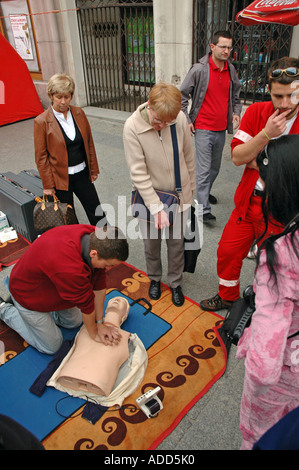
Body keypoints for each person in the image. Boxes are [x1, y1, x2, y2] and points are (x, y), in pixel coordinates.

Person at [200, 56, 299, 311]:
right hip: (248, 202)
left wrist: (259, 159)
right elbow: (237, 156)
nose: (285, 103)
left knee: (273, 264)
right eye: (278, 96)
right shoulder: (256, 112)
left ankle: (266, 305)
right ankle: (228, 296)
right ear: (268, 90)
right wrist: (266, 134)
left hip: (283, 210)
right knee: (227, 251)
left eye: (291, 95)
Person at [236, 135, 299, 450]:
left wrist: (255, 376)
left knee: (262, 438)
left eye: (265, 185)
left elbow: (263, 368)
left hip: (286, 376)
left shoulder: (283, 255)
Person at [0, 224, 129, 354]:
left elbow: (99, 283)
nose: (109, 269)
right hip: (26, 293)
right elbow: (86, 304)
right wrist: (94, 333)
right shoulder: (70, 268)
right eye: (108, 265)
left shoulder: (95, 237)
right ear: (93, 254)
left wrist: (100, 322)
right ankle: (5, 308)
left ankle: (43, 315)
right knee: (52, 347)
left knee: (75, 322)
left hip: (50, 284)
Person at [123, 82, 195, 307]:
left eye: (167, 122)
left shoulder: (179, 118)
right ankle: (154, 278)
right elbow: (138, 174)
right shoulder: (132, 127)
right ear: (149, 105)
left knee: (176, 244)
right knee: (151, 244)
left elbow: (188, 156)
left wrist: (190, 193)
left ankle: (175, 283)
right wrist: (156, 208)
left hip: (179, 195)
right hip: (149, 198)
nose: (162, 125)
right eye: (158, 121)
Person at [180, 30, 242, 223]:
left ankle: (203, 193)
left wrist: (236, 112)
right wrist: (188, 119)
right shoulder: (199, 69)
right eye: (223, 46)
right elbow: (182, 95)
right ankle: (203, 208)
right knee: (205, 169)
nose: (226, 51)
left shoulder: (230, 69)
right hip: (203, 127)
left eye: (229, 47)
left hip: (221, 128)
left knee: (215, 167)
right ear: (212, 46)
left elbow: (236, 95)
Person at [34, 73, 106, 226]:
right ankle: (76, 247)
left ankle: (108, 245)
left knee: (97, 212)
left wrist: (93, 169)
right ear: (51, 95)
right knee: (69, 218)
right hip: (60, 179)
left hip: (82, 174)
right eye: (58, 97)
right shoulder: (42, 121)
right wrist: (47, 185)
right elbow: (41, 157)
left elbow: (89, 143)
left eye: (66, 97)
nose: (63, 101)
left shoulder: (79, 113)